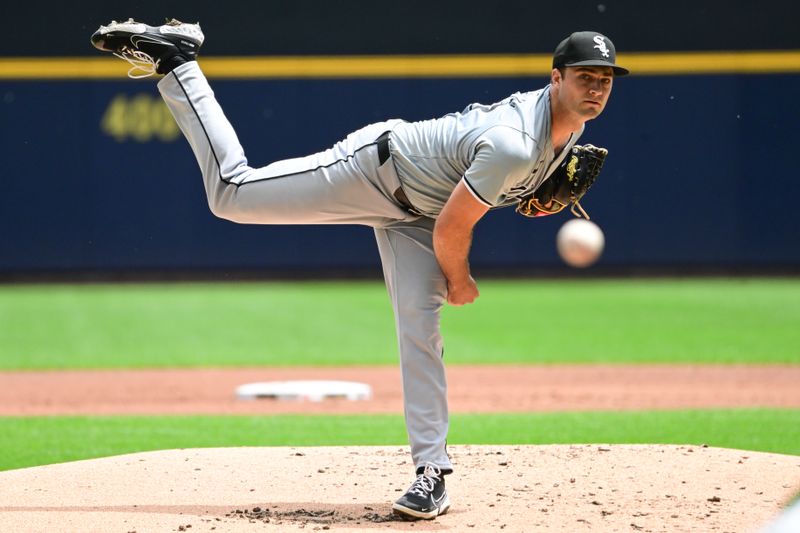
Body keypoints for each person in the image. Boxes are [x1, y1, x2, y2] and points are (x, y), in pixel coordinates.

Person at [91, 20, 628, 520]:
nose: (596, 88)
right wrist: (460, 282)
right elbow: (452, 231)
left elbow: (463, 201)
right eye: (585, 77)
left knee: (421, 330)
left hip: (419, 213)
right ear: (556, 78)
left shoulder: (567, 127)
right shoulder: (515, 142)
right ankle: (179, 60)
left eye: (605, 79)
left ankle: (431, 473)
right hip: (375, 171)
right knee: (231, 193)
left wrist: (529, 185)